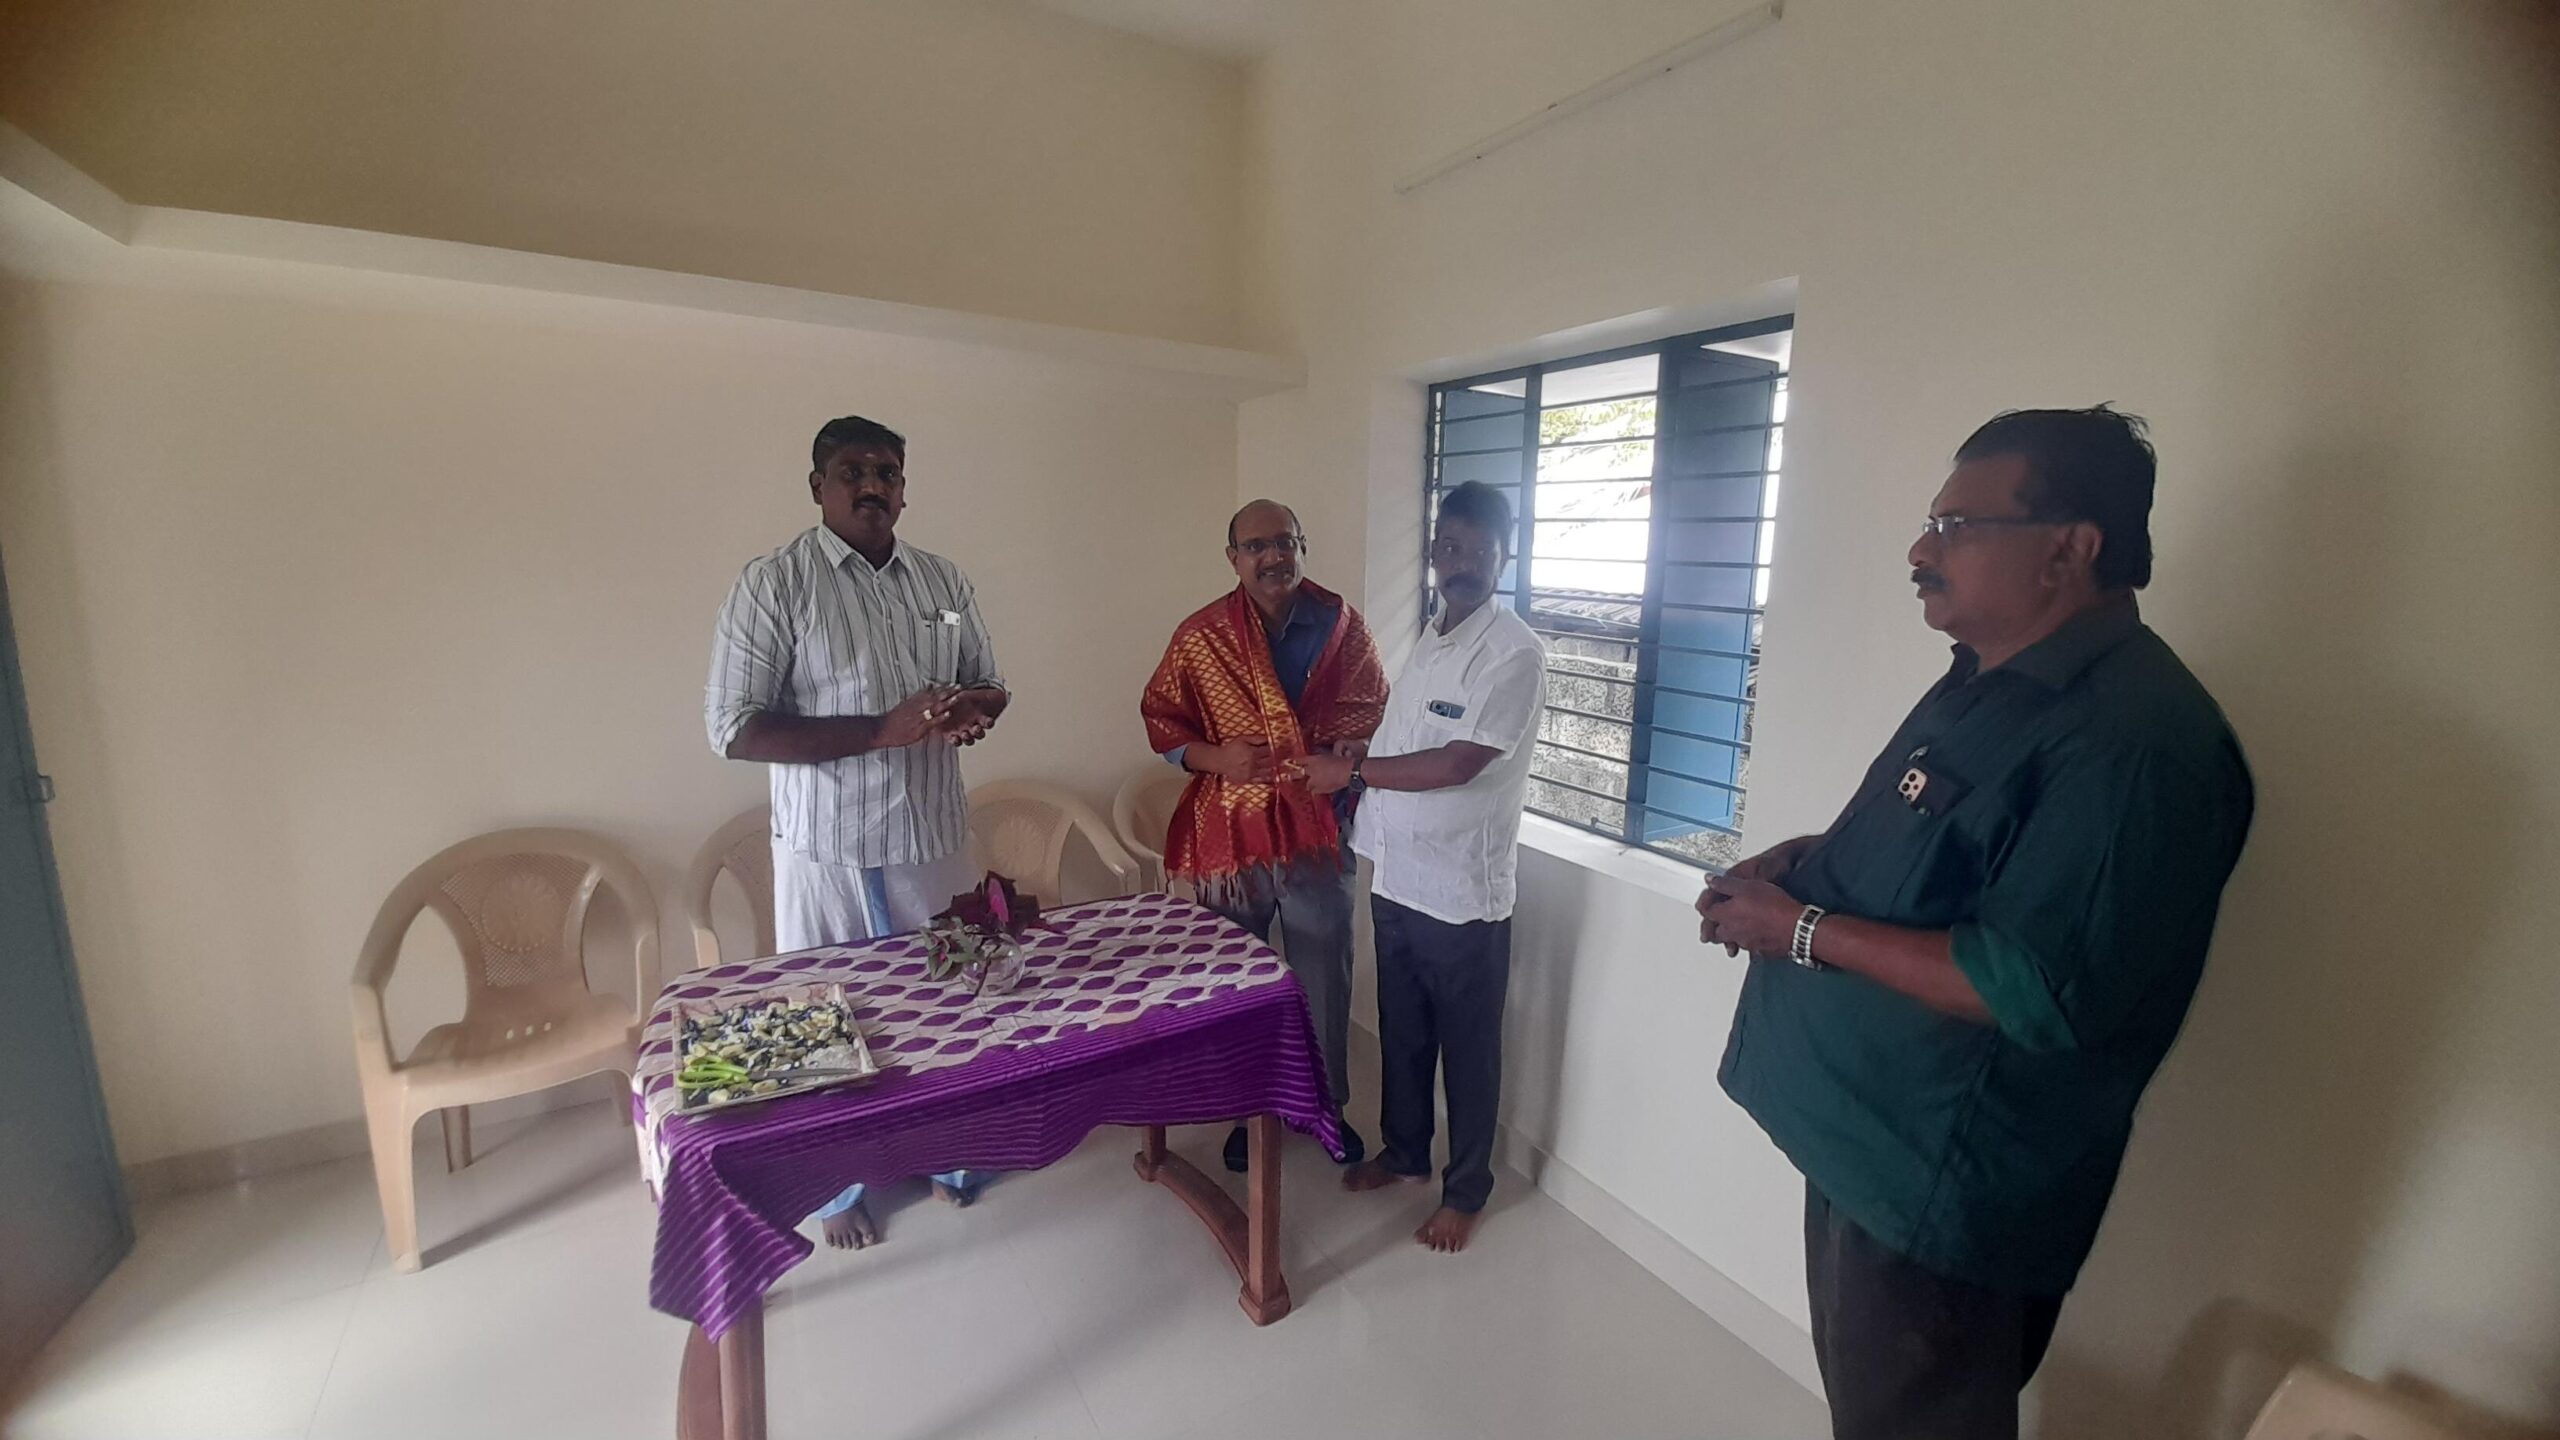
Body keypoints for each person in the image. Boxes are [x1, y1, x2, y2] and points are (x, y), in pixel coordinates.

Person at [1698, 407, 2253, 1440]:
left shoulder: (2133, 743)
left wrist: (1800, 928)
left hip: (1940, 1194)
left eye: (1956, 527)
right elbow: (1942, 839)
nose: (1919, 551)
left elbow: (2034, 983)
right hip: (1868, 1146)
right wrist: (1800, 867)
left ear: (2069, 548)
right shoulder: (1990, 681)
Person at [704, 413, 1008, 1251]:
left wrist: (972, 713)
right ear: (818, 487)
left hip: (932, 832)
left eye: (887, 472)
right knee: (824, 1017)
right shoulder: (775, 584)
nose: (872, 486)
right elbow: (732, 728)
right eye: (852, 472)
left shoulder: (942, 582)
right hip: (826, 847)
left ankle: (950, 1156)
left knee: (952, 1000)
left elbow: (989, 681)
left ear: (905, 488)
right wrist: (882, 729)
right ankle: (836, 1191)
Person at [1308, 481, 1545, 1255]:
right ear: (1435, 552)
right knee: (1404, 1032)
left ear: (1505, 555)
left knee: (1468, 1051)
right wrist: (1361, 754)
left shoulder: (1513, 654)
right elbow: (1406, 740)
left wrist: (1352, 776)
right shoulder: (1432, 636)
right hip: (1400, 873)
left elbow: (1456, 763)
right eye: (1450, 547)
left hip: (1463, 893)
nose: (1462, 562)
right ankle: (1406, 1154)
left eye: (1479, 550)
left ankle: (1468, 1191)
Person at [1140, 499, 1388, 1170]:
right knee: (1239, 982)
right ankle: (1250, 1110)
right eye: (1256, 546)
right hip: (1233, 837)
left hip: (1316, 830)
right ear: (1233, 559)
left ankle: (1325, 1108)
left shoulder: (1342, 626)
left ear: (1302, 547)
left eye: (1284, 542)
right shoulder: (1202, 636)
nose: (1272, 556)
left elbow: (1373, 707)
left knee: (1322, 979)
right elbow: (1162, 724)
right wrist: (1216, 758)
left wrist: (1354, 742)